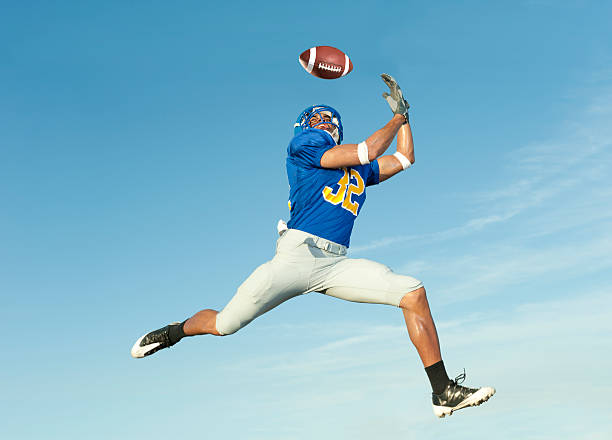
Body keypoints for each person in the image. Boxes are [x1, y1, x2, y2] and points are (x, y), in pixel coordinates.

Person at [130, 74, 495, 418]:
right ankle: (174, 332)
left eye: (330, 118)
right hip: (296, 256)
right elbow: (367, 149)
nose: (326, 121)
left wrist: (407, 117)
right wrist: (397, 119)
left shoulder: (355, 168)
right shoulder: (303, 146)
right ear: (306, 125)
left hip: (335, 264)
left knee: (412, 291)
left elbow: (403, 159)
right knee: (226, 324)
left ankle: (442, 391)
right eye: (318, 117)